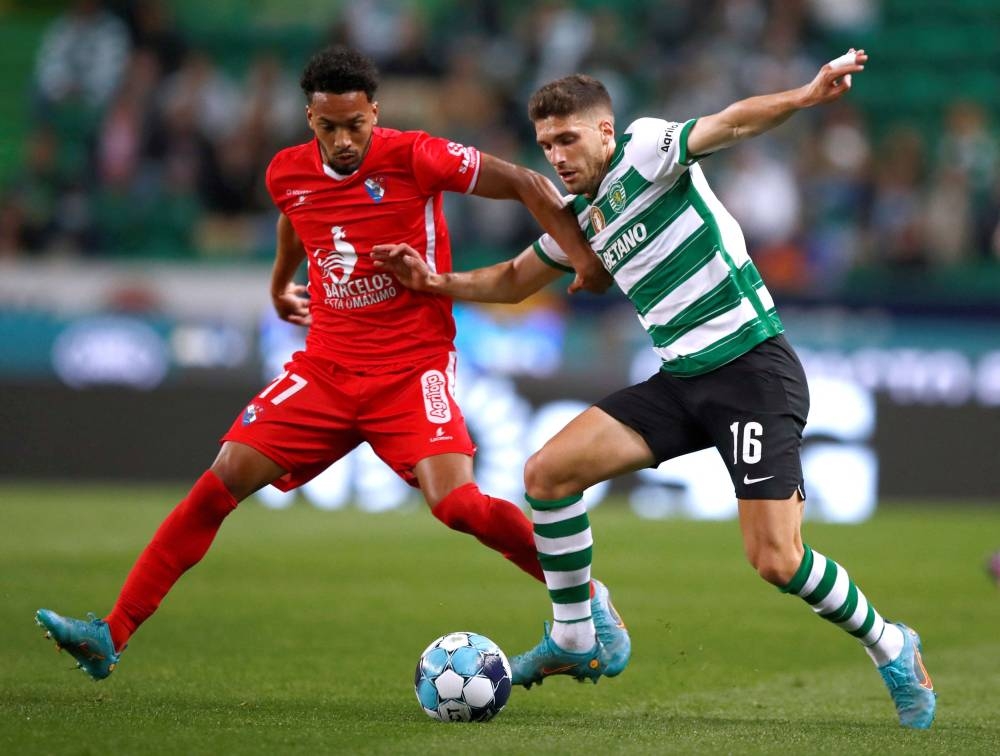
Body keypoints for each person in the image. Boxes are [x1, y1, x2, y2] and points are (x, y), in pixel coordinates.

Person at [373, 49, 937, 729]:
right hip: (681, 380)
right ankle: (580, 635)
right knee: (547, 474)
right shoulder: (577, 214)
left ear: (605, 132)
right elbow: (517, 278)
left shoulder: (646, 149)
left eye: (568, 138)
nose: (556, 154)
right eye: (546, 143)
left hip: (751, 369)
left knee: (776, 560)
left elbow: (728, 124)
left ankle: (891, 643)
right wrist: (436, 283)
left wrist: (805, 94)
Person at [35, 46, 630, 683]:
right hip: (326, 369)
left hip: (411, 367)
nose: (344, 141)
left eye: (356, 125)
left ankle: (587, 598)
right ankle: (111, 633)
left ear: (375, 111)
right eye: (329, 128)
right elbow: (300, 216)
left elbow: (526, 183)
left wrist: (584, 259)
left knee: (457, 505)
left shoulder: (416, 155)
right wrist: (278, 283)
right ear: (309, 119)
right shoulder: (285, 171)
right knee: (218, 483)